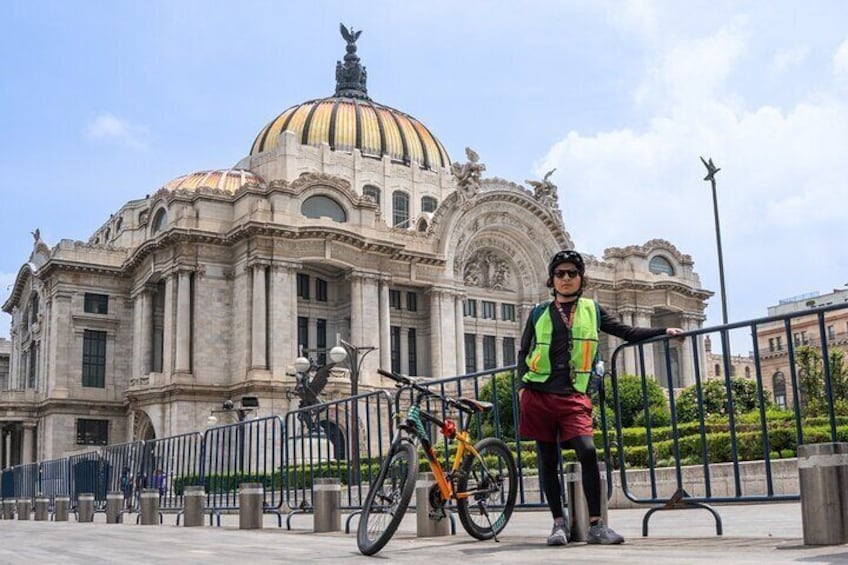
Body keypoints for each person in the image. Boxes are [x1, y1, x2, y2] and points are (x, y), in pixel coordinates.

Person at [517, 250, 683, 546]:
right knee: (547, 460)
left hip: (573, 396)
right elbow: (524, 351)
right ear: (552, 280)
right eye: (560, 274)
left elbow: (626, 331)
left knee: (588, 451)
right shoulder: (538, 312)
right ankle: (558, 524)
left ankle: (597, 525)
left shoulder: (592, 310)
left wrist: (662, 331)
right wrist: (520, 388)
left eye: (571, 273)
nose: (565, 278)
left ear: (581, 278)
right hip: (538, 394)